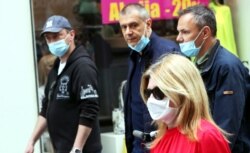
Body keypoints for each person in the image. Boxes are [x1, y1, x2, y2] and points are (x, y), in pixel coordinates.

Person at [176, 5, 250, 153]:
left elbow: (226, 129)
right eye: (178, 32)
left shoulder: (227, 67)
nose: (179, 38)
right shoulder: (198, 63)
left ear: (205, 33)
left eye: (185, 32)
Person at [25, 15, 102, 153]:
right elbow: (46, 108)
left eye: (57, 36)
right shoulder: (57, 67)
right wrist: (32, 141)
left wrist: (77, 148)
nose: (52, 41)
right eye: (48, 38)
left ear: (71, 35)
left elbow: (89, 109)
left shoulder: (82, 66)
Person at [118, 3, 180, 153]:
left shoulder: (168, 53)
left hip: (163, 143)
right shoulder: (134, 54)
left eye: (133, 25)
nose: (128, 32)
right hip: (138, 144)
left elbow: (182, 102)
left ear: (148, 23)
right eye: (124, 27)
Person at [140, 54, 231, 153]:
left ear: (182, 92)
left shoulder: (206, 136)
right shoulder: (160, 139)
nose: (151, 99)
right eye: (148, 93)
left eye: (159, 93)